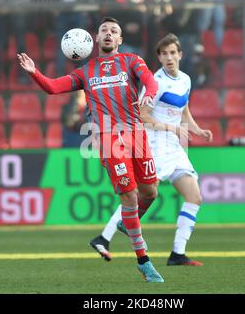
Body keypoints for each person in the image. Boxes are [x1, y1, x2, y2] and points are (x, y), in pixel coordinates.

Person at [18, 17, 164, 283]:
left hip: (135, 133)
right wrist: (34, 72)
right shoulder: (86, 71)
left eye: (114, 31)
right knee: (129, 197)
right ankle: (144, 261)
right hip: (108, 137)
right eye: (104, 31)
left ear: (120, 39)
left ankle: (126, 223)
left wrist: (149, 94)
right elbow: (53, 87)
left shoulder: (132, 60)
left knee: (150, 192)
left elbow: (150, 82)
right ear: (95, 39)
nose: (108, 34)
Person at [89, 33, 213, 266]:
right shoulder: (155, 83)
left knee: (194, 197)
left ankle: (177, 254)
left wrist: (197, 130)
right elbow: (142, 116)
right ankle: (104, 237)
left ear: (180, 55)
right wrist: (171, 129)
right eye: (164, 54)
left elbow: (184, 111)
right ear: (159, 57)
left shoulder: (185, 79)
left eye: (172, 53)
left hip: (174, 147)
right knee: (135, 194)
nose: (169, 57)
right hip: (155, 143)